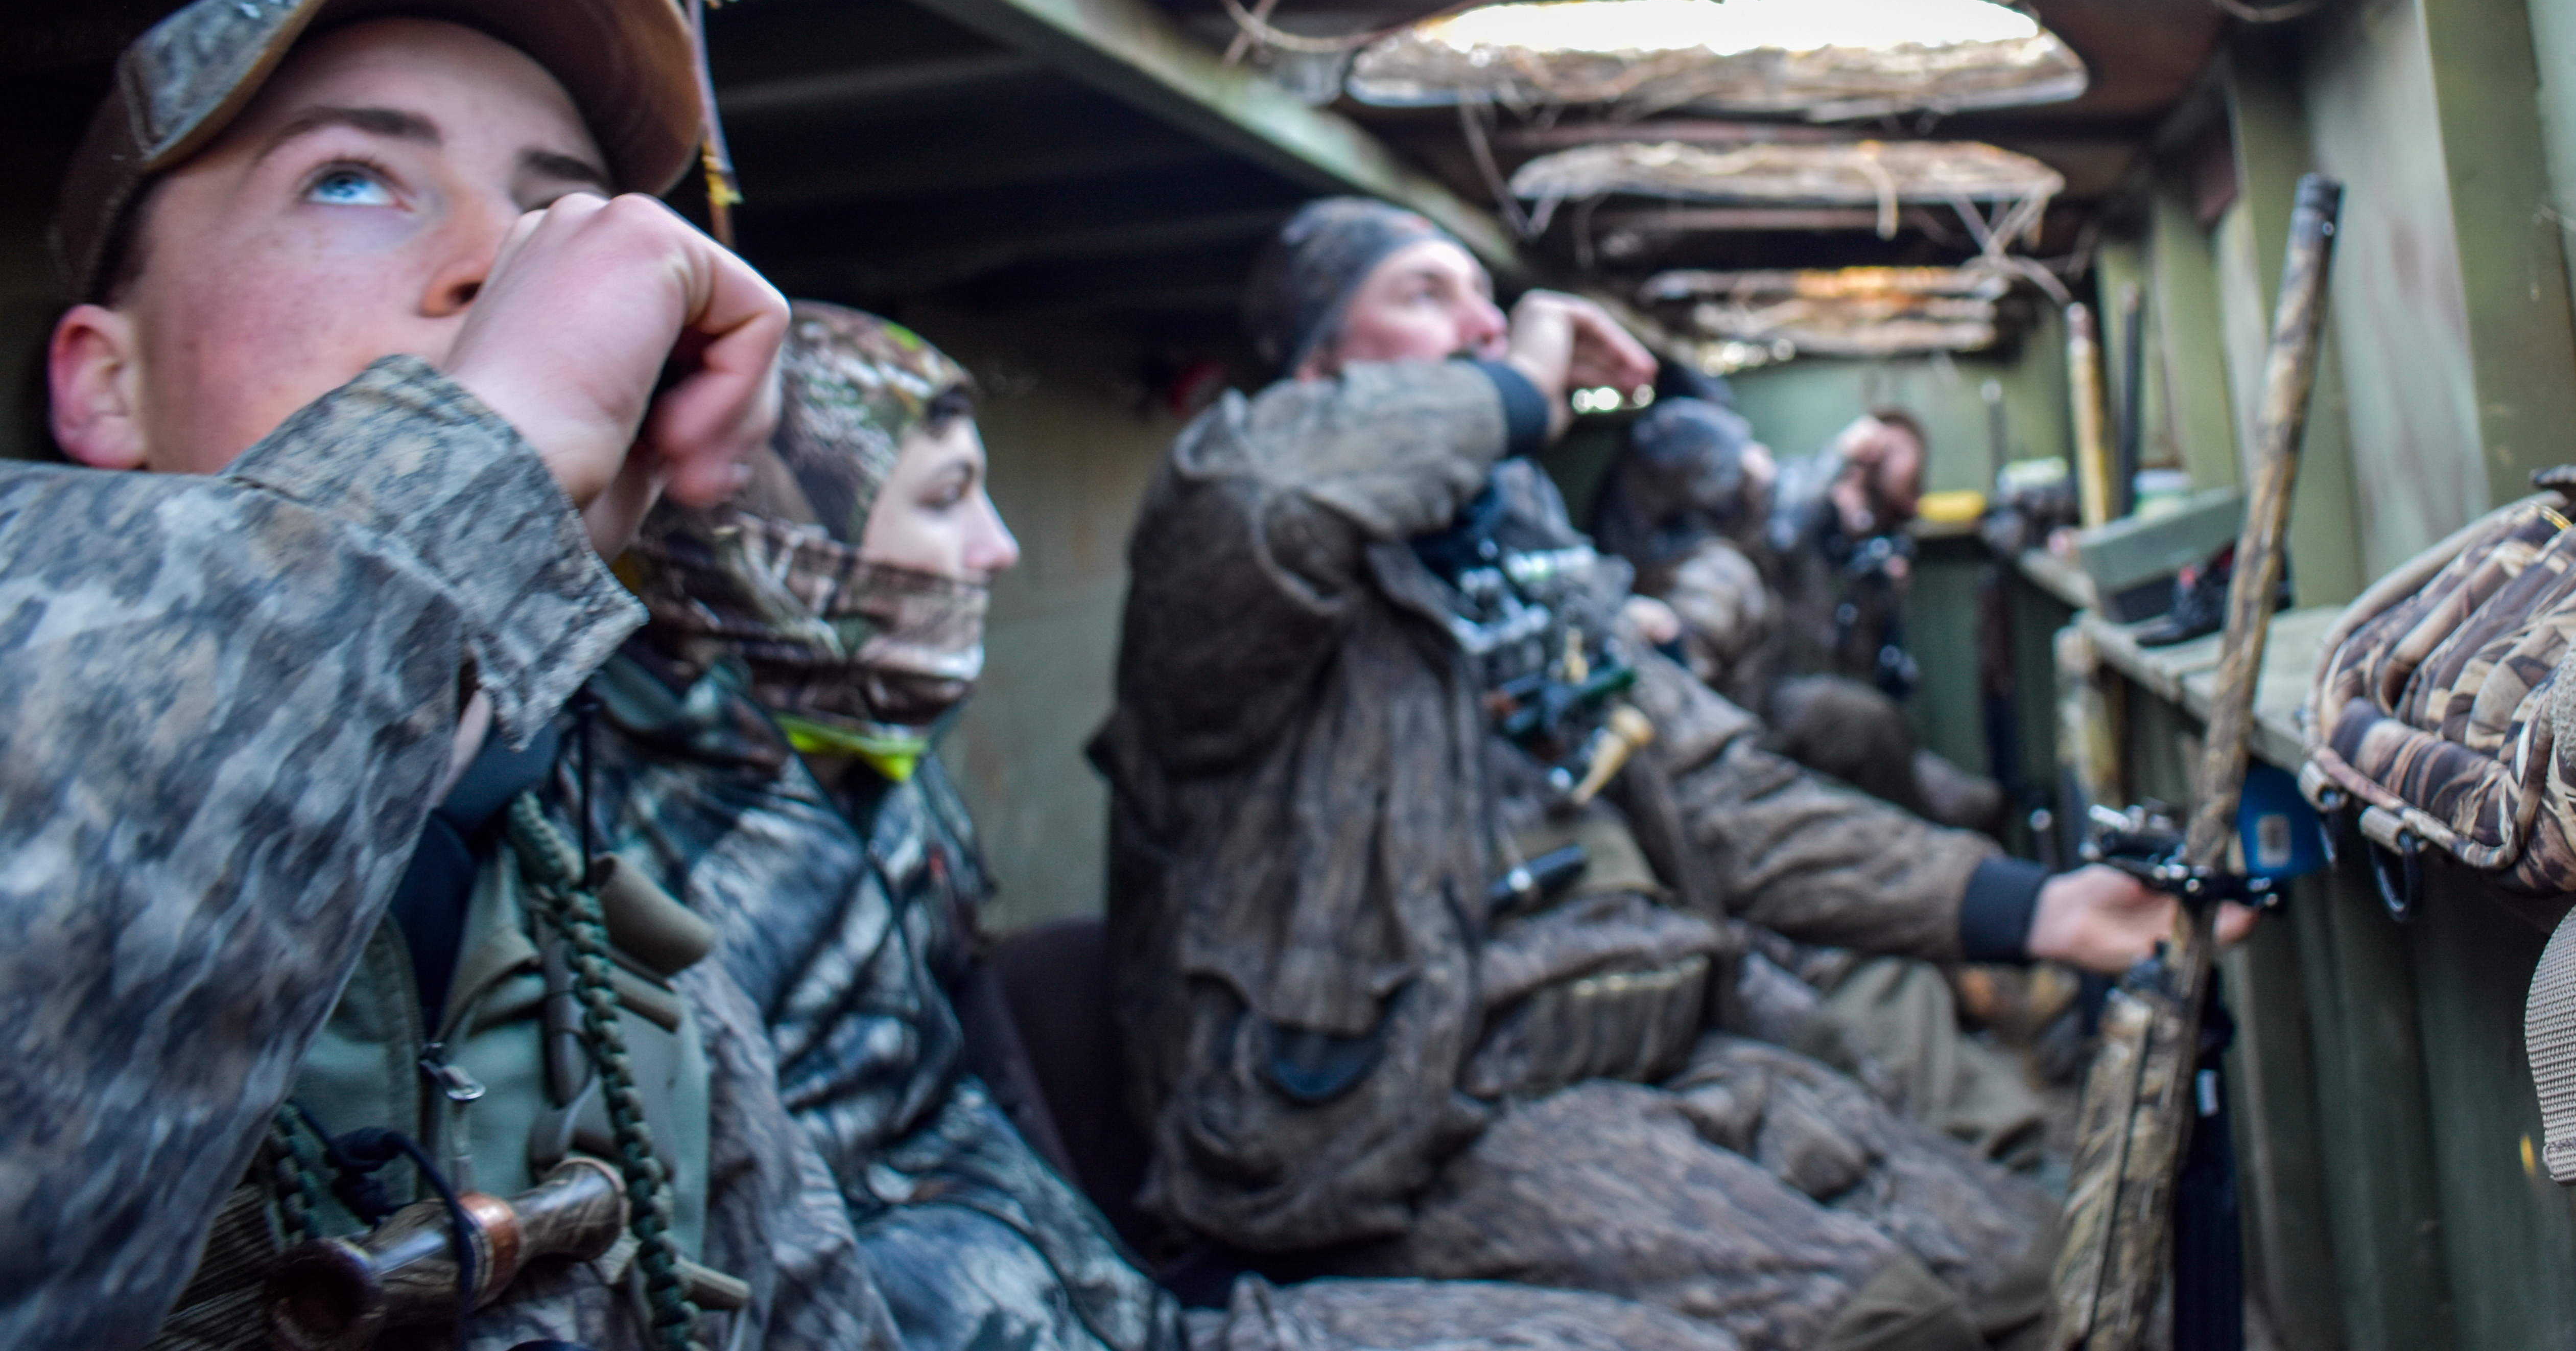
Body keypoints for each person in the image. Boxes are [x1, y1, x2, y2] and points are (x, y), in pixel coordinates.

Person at [1096, 198, 2247, 1351]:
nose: (1486, 325)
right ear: (1321, 364)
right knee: (1890, 1325)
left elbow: (1722, 795)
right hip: (1413, 1126)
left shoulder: (1519, 546)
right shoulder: (1231, 567)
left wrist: (2037, 906)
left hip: (1663, 1043)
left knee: (2049, 1276)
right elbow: (1271, 491)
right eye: (1423, 294)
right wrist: (1520, 387)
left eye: (1483, 301)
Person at [2, 0, 892, 1350]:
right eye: (351, 181)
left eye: (562, 211)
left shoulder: (600, 917)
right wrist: (470, 471)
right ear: (105, 382)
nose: (511, 263)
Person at [586, 303, 1734, 1351]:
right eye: (944, 498)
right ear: (771, 550)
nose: (1000, 546)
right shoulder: (644, 860)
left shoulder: (884, 786)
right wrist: (1523, 383)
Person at [1592, 399, 2047, 1171]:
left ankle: (1986, 987)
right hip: (1719, 837)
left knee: (1952, 803)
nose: (1762, 479)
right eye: (1745, 472)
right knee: (1881, 971)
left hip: (1760, 785)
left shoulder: (1780, 548)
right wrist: (1666, 640)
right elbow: (1688, 654)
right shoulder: (1717, 572)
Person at [1754, 412, 2003, 834]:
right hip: (1781, 701)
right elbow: (1784, 530)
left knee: (1980, 803)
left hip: (1861, 713)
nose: (1890, 460)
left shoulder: (1881, 541)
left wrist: (1882, 588)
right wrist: (1840, 455)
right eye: (1882, 452)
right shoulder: (1809, 508)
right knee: (1873, 728)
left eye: (1903, 453)